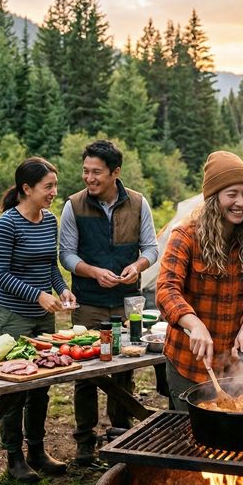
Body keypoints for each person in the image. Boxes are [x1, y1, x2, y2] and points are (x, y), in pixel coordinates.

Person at [59, 139, 160, 466]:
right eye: (86, 171)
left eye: (96, 172)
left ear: (115, 172)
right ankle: (85, 441)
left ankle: (121, 433)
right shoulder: (73, 205)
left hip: (128, 300)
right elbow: (66, 254)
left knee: (124, 368)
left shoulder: (138, 203)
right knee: (85, 371)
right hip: (88, 300)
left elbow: (151, 248)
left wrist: (138, 266)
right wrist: (92, 271)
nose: (89, 178)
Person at [155, 151, 243, 410]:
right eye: (231, 194)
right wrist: (194, 324)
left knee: (237, 438)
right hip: (188, 363)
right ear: (213, 198)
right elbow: (166, 290)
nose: (241, 202)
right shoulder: (185, 237)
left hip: (237, 365)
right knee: (187, 439)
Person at [0, 157, 75, 482]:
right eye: (48, 186)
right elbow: (0, 274)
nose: (54, 191)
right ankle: (13, 458)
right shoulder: (6, 225)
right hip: (13, 318)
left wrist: (62, 290)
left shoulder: (49, 220)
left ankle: (36, 451)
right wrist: (37, 295)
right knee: (14, 389)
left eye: (55, 185)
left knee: (41, 386)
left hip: (44, 317)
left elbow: (50, 265)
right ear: (26, 189)